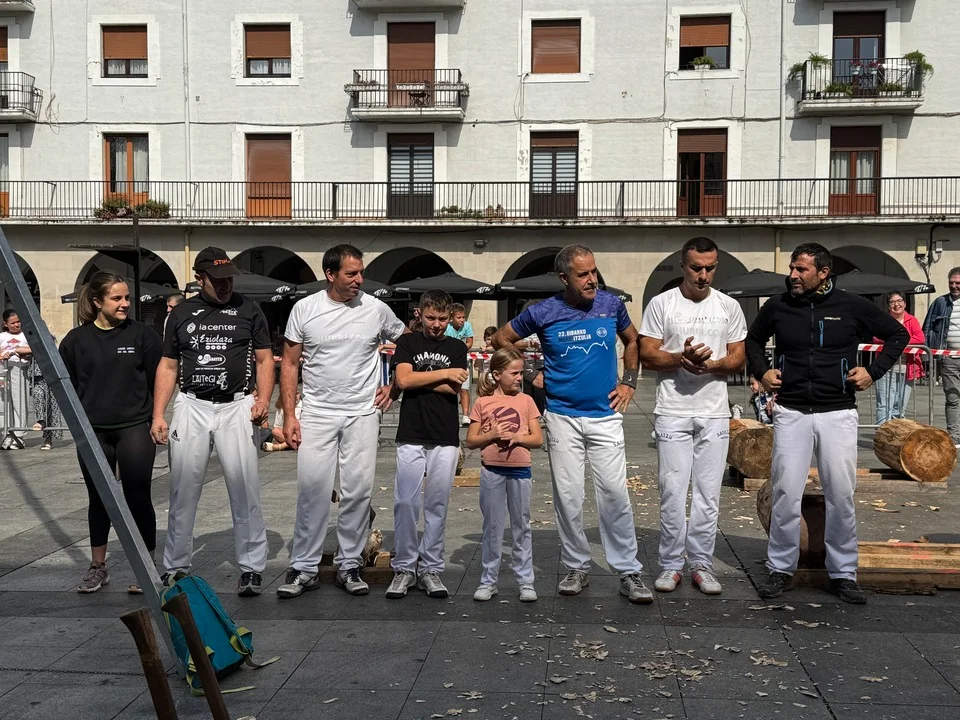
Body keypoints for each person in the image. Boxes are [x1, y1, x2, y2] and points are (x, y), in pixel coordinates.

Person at [746, 243, 908, 604]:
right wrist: (762, 371)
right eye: (792, 267)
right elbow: (753, 339)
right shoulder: (778, 305)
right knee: (786, 492)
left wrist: (873, 371)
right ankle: (780, 568)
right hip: (791, 411)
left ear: (823, 273)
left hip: (838, 412)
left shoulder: (851, 305)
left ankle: (843, 574)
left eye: (801, 269)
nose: (793, 275)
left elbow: (899, 335)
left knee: (840, 494)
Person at [493, 244, 652, 604]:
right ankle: (577, 566)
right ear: (564, 278)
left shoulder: (611, 304)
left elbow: (633, 340)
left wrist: (629, 381)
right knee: (568, 497)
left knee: (614, 495)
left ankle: (628, 570)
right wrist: (529, 372)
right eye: (583, 274)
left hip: (605, 416)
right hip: (562, 416)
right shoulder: (543, 311)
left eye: (594, 271)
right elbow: (502, 338)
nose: (592, 279)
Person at [277, 244, 407, 598]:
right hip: (317, 413)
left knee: (358, 491)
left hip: (362, 413)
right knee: (312, 491)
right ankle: (304, 567)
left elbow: (408, 343)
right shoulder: (305, 309)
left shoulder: (376, 309)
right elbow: (290, 363)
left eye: (361, 272)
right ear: (330, 274)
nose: (359, 280)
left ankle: (349, 563)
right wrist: (289, 416)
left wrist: (394, 387)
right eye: (351, 274)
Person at [151, 247, 274, 597]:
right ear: (199, 277)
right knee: (182, 489)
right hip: (192, 404)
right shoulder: (181, 313)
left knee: (245, 487)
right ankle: (176, 567)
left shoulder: (249, 309)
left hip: (237, 405)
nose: (225, 285)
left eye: (229, 279)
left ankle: (251, 568)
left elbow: (265, 359)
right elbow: (168, 365)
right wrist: (158, 414)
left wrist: (263, 400)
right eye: (218, 280)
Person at [638, 237, 747, 597]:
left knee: (708, 493)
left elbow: (738, 357)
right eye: (696, 268)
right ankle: (671, 563)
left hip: (714, 412)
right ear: (683, 266)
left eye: (710, 268)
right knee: (672, 491)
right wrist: (680, 358)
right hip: (672, 410)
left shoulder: (728, 306)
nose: (703, 275)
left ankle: (701, 563)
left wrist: (712, 364)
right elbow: (647, 354)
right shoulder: (662, 303)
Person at [59, 272, 163, 594]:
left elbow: (158, 378)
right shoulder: (75, 341)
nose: (125, 304)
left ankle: (147, 566)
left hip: (134, 427)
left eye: (126, 298)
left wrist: (156, 417)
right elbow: (67, 385)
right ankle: (98, 566)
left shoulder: (142, 336)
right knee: (99, 498)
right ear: (96, 301)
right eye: (116, 298)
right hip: (93, 432)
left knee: (137, 497)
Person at [384, 290, 467, 600]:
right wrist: (443, 374)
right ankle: (405, 567)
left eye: (443, 319)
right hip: (411, 431)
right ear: (420, 314)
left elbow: (454, 388)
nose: (436, 324)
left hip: (445, 434)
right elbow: (403, 381)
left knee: (437, 504)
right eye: (431, 317)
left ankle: (431, 567)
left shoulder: (457, 346)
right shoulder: (408, 342)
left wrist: (421, 377)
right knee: (405, 502)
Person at [467, 348, 542, 603]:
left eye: (521, 373)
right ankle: (489, 580)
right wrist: (491, 435)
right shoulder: (482, 403)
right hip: (492, 470)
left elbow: (537, 439)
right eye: (514, 373)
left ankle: (525, 580)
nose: (520, 377)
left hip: (520, 470)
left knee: (522, 526)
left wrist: (517, 437)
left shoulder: (526, 401)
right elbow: (471, 441)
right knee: (492, 527)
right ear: (497, 374)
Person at [921, 268, 960, 445]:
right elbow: (927, 328)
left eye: (958, 283)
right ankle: (955, 437)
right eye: (951, 283)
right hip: (948, 358)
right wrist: (927, 358)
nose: (954, 286)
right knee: (952, 399)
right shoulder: (940, 303)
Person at [875, 291, 924, 424]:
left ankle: (896, 433)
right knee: (884, 405)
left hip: (906, 368)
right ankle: (882, 431)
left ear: (905, 303)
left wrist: (896, 341)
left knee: (900, 406)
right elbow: (876, 337)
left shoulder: (912, 320)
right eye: (892, 302)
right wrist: (901, 341)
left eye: (899, 301)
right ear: (888, 305)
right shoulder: (883, 319)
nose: (896, 304)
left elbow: (920, 338)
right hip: (885, 368)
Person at [0, 309, 32, 450]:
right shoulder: (2, 336)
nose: (16, 325)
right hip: (3, 370)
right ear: (5, 324)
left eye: (18, 322)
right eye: (12, 323)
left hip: (20, 370)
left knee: (19, 403)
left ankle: (19, 436)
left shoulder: (25, 335)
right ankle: (6, 434)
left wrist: (19, 351)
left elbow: (33, 348)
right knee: (4, 403)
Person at [31, 340, 63, 451]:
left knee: (51, 411)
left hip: (53, 381)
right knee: (38, 394)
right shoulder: (33, 348)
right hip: (38, 380)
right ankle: (41, 420)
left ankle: (48, 439)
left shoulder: (54, 351)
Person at [445, 302, 474, 425]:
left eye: (463, 317)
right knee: (448, 388)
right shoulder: (447, 327)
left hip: (462, 361)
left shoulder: (467, 326)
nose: (462, 320)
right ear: (452, 318)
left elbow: (470, 342)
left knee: (464, 389)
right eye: (459, 317)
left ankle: (465, 415)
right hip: (449, 362)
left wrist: (460, 349)